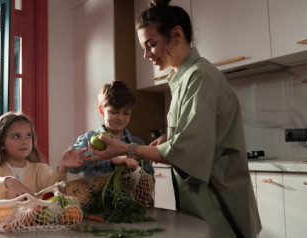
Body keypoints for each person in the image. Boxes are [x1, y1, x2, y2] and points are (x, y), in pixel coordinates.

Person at [87, 1, 261, 237]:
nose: (147, 55)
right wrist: (171, 137)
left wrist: (127, 149)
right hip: (202, 199)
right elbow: (196, 133)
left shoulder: (200, 77)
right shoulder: (183, 77)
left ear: (176, 34)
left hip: (219, 201)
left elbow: (186, 150)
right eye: (143, 47)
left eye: (151, 45)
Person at [0, 112, 88, 204]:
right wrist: (8, 182)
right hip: (2, 230)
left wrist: (62, 168)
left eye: (28, 135)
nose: (25, 141)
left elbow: (54, 194)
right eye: (16, 136)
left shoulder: (40, 169)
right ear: (1, 143)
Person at [68, 80, 154, 177]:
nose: (120, 118)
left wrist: (136, 170)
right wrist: (111, 161)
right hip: (93, 192)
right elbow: (71, 164)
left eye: (126, 113)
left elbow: (150, 178)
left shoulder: (138, 144)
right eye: (114, 112)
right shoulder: (87, 139)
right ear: (101, 111)